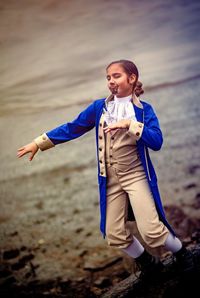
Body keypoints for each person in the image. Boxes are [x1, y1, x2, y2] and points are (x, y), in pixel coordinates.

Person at [17, 59, 194, 279]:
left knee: (151, 231)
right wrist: (39, 143)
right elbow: (73, 128)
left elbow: (157, 141)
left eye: (116, 76)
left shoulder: (144, 111)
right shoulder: (98, 108)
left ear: (132, 78)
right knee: (114, 234)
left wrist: (130, 125)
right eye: (108, 77)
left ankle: (184, 255)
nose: (111, 81)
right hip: (109, 180)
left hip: (136, 176)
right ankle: (149, 265)